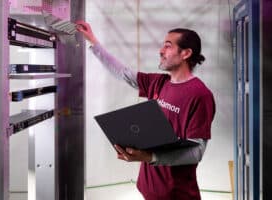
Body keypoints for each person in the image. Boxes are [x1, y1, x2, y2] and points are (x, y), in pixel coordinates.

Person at [76, 21, 215, 200]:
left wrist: (150, 156)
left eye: (168, 46)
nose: (161, 51)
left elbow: (197, 152)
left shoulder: (200, 95)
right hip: (149, 189)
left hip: (177, 194)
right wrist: (93, 41)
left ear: (186, 53)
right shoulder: (159, 82)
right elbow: (124, 73)